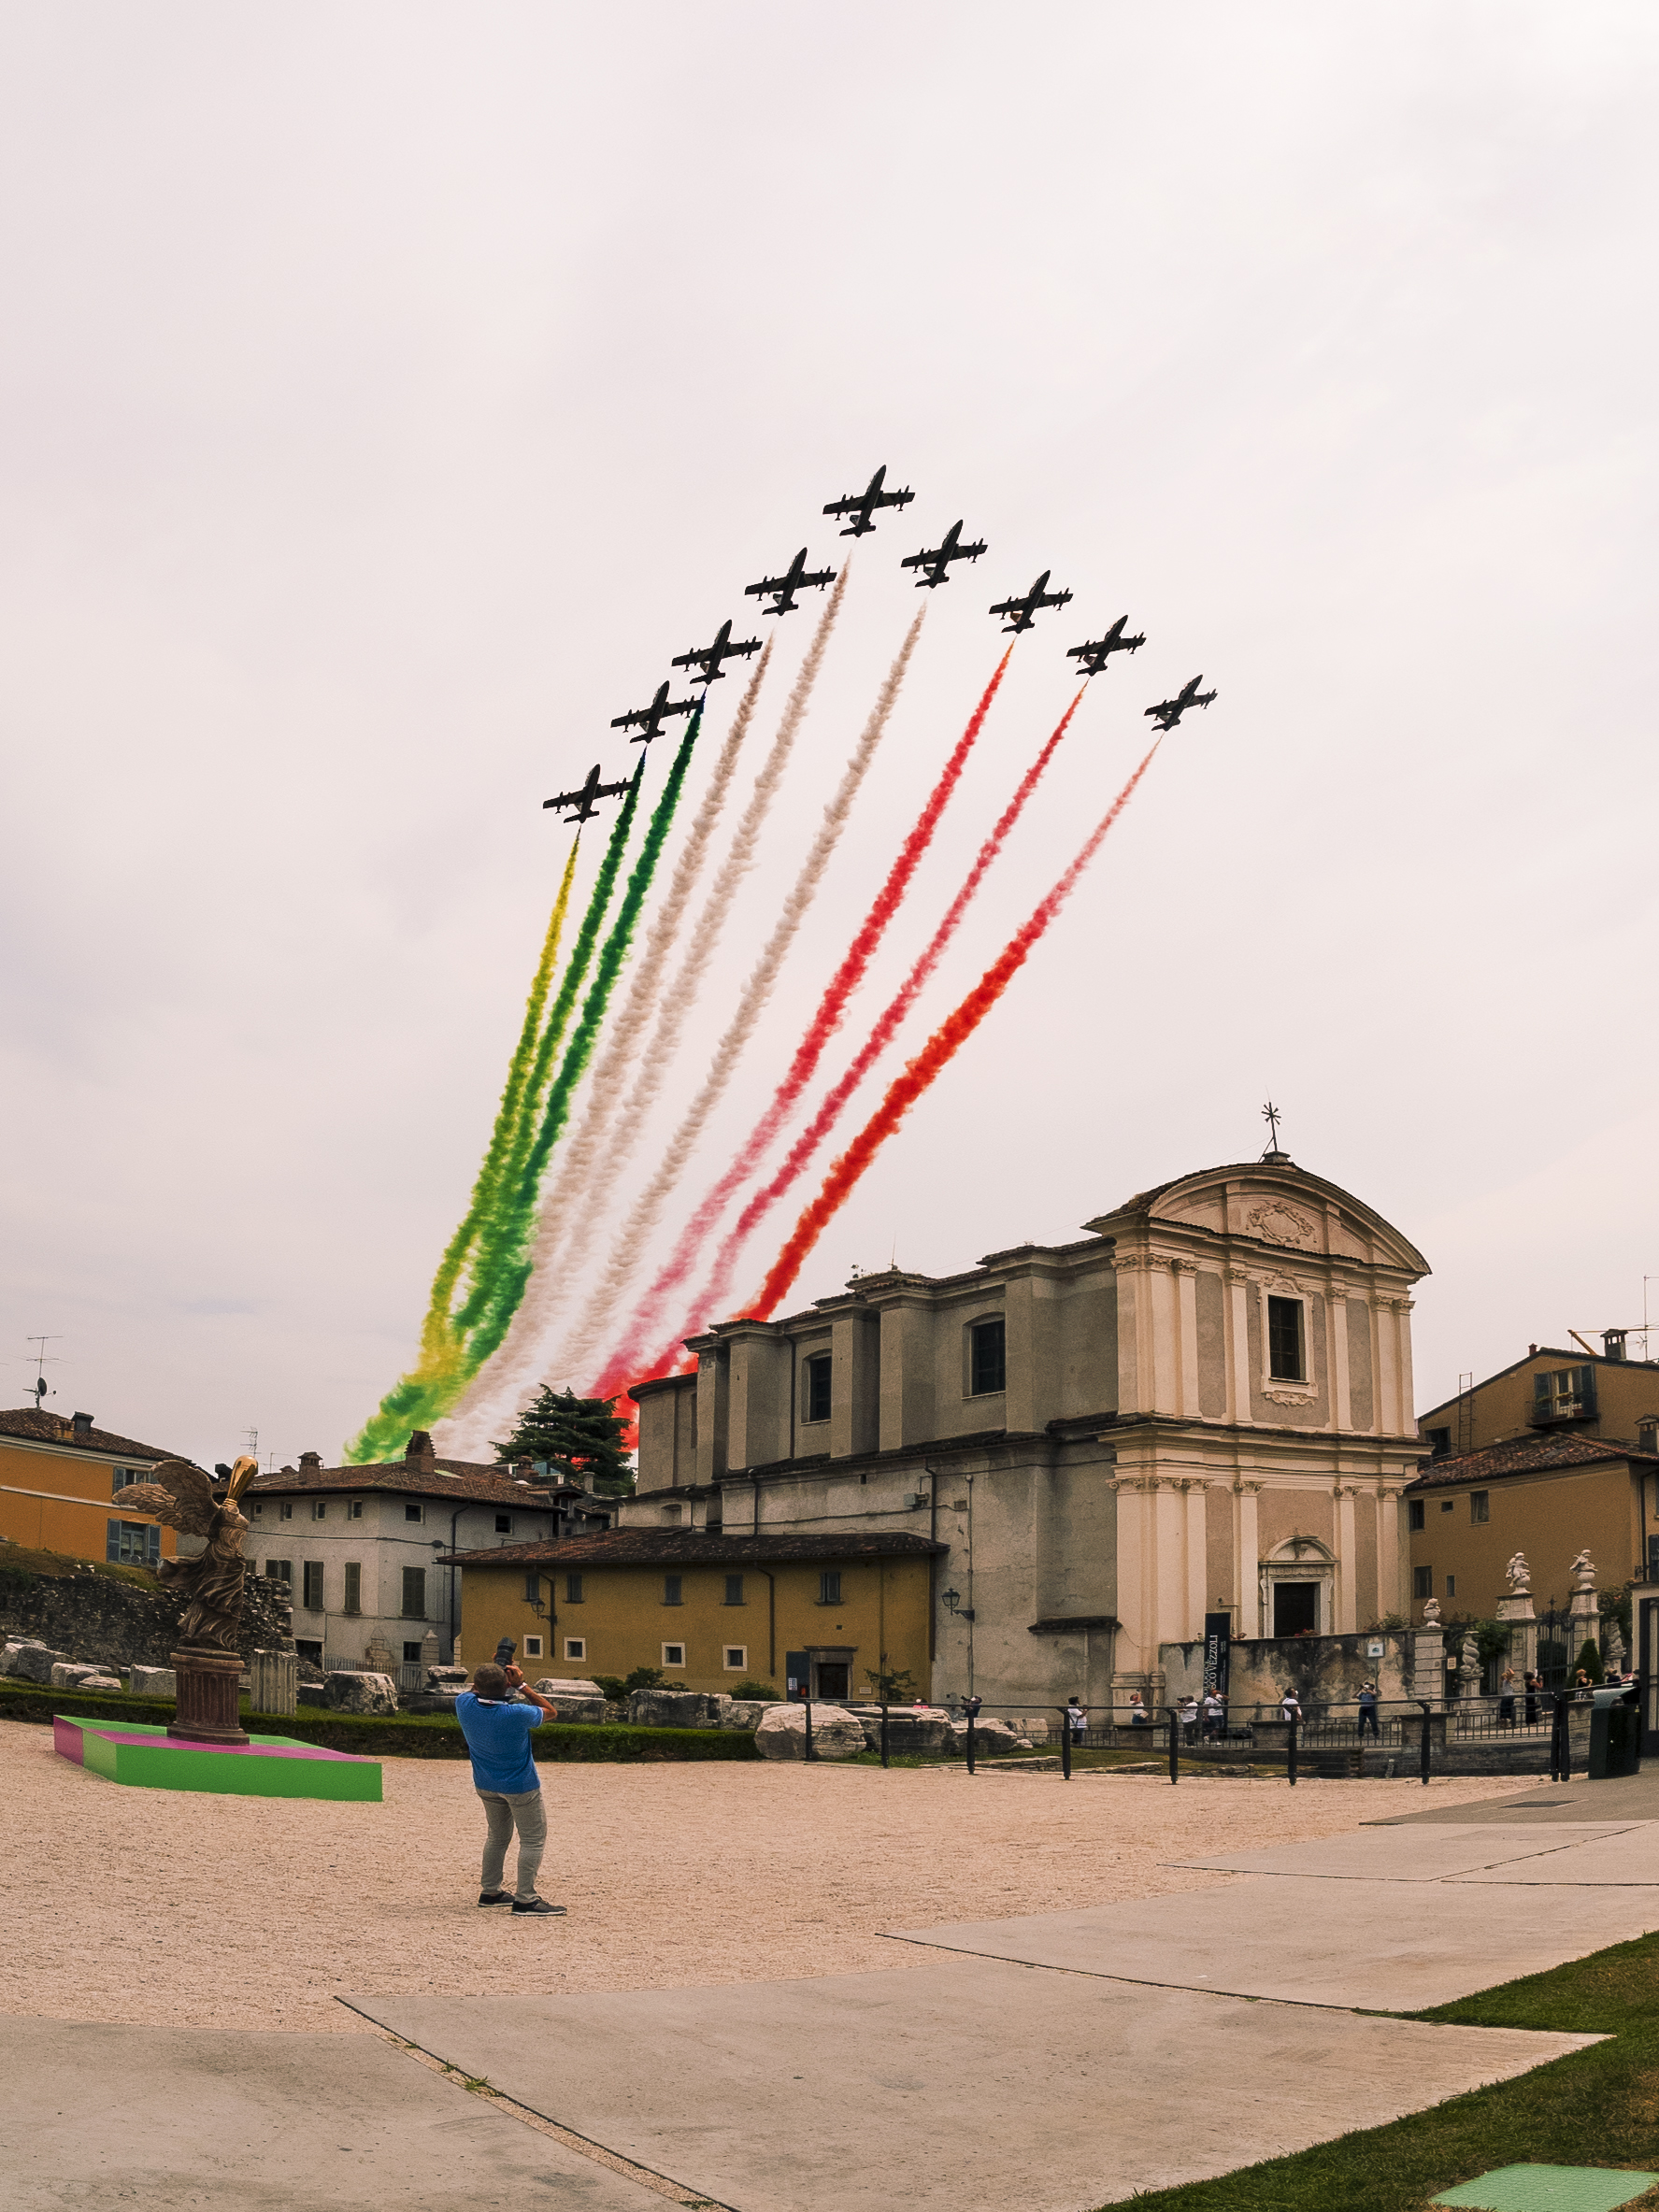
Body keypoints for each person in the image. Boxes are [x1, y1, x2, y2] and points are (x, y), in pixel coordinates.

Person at [455, 1662, 563, 1916]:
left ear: (476, 1685)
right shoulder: (517, 1714)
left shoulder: (463, 1704)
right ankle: (526, 1899)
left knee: (497, 1838)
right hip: (521, 1785)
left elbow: (477, 1688)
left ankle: (490, 1891)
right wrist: (521, 1685)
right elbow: (551, 1711)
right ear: (506, 1685)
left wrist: (496, 1674)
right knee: (533, 1840)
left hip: (485, 1783)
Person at [1496, 1665, 1517, 1729]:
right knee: (1508, 1710)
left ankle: (1504, 1724)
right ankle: (1507, 1724)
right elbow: (1513, 1673)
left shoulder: (1502, 1683)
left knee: (1504, 1710)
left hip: (1505, 1698)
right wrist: (1509, 1669)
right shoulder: (1506, 1681)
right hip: (1508, 1697)